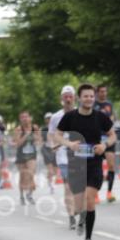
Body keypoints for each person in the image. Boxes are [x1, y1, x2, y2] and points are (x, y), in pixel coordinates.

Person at [55, 84, 116, 240]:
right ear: (79, 98)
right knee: (78, 205)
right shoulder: (70, 117)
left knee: (90, 199)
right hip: (76, 164)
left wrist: (104, 145)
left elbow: (112, 135)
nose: (89, 99)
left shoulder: (100, 117)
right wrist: (69, 144)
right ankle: (81, 218)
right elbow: (57, 135)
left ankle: (88, 239)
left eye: (91, 96)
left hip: (94, 163)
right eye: (85, 96)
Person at [48, 85, 77, 228]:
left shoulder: (81, 114)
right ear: (62, 99)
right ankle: (71, 216)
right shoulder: (56, 117)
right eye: (66, 96)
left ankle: (76, 208)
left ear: (74, 98)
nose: (68, 99)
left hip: (79, 155)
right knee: (68, 187)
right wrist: (53, 145)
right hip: (63, 156)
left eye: (70, 96)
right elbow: (51, 134)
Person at [95, 84, 118, 202]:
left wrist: (111, 120)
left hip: (108, 138)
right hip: (97, 139)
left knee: (111, 165)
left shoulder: (109, 104)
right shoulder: (93, 104)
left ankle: (109, 192)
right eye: (101, 91)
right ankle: (95, 193)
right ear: (97, 93)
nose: (103, 93)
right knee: (97, 167)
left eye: (105, 91)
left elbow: (112, 118)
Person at [14, 111, 41, 205]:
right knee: (22, 177)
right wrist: (26, 134)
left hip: (31, 155)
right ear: (20, 119)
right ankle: (21, 196)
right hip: (21, 155)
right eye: (22, 117)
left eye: (26, 117)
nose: (25, 119)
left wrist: (37, 140)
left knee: (31, 173)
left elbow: (39, 139)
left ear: (30, 118)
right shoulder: (18, 129)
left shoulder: (35, 127)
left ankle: (29, 194)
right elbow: (17, 144)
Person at [41, 113, 57, 192]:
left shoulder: (57, 127)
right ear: (45, 120)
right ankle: (51, 185)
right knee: (50, 170)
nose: (49, 119)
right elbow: (42, 139)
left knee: (55, 170)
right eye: (48, 118)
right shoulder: (44, 129)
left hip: (55, 149)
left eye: (50, 118)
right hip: (46, 149)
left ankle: (49, 179)